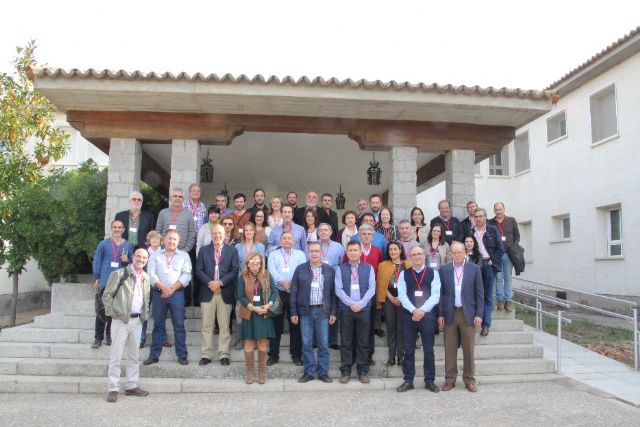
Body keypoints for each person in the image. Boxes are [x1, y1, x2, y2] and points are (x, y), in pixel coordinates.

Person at [103, 245, 151, 403]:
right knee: (115, 355)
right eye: (138, 256)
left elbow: (146, 297)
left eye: (144, 258)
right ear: (132, 257)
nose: (141, 260)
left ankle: (131, 385)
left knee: (134, 356)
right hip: (120, 320)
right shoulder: (119, 274)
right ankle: (113, 388)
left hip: (137, 321)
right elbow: (107, 295)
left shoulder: (145, 277)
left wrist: (145, 315)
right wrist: (113, 313)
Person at [438, 242, 484, 392]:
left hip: (468, 314)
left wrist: (479, 314)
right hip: (450, 313)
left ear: (465, 252)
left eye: (459, 252)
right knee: (450, 349)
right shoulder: (444, 270)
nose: (456, 255)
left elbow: (480, 294)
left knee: (468, 349)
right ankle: (449, 379)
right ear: (450, 254)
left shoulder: (475, 269)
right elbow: (441, 294)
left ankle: (469, 380)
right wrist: (440, 313)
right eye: (454, 252)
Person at [290, 241, 337, 383]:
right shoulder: (300, 269)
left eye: (317, 251)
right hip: (305, 311)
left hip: (323, 311)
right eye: (312, 251)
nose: (315, 253)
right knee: (306, 343)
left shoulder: (330, 270)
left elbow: (334, 294)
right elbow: (294, 291)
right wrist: (293, 312)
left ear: (321, 253)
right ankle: (309, 371)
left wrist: (333, 312)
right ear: (308, 253)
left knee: (323, 343)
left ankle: (323, 372)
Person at [396, 245, 441, 393]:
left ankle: (430, 381)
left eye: (419, 254)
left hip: (427, 316)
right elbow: (401, 295)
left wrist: (422, 310)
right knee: (408, 350)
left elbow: (435, 295)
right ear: (409, 256)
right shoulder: (403, 274)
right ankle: (408, 380)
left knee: (429, 350)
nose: (417, 257)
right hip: (409, 316)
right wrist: (414, 310)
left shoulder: (434, 273)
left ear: (424, 256)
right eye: (414, 254)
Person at [144, 230, 191, 366]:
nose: (171, 242)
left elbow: (187, 274)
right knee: (158, 325)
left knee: (179, 325)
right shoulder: (155, 255)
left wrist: (172, 289)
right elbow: (151, 274)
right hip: (159, 293)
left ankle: (182, 355)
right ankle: (154, 355)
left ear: (178, 241)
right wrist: (163, 288)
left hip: (177, 294)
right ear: (164, 240)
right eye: (169, 239)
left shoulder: (184, 256)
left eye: (174, 239)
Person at [196, 224, 239, 366]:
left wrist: (220, 283)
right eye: (215, 233)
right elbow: (199, 270)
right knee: (207, 326)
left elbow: (234, 271)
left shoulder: (232, 251)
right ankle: (206, 354)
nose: (217, 236)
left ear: (224, 235)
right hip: (207, 292)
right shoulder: (203, 250)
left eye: (220, 233)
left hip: (224, 292)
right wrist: (211, 283)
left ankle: (224, 354)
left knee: (224, 326)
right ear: (211, 234)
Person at [334, 241, 376, 384]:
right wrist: (351, 303)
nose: (353, 253)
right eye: (350, 250)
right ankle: (345, 371)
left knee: (363, 342)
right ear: (347, 252)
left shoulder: (368, 268)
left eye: (355, 250)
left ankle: (363, 370)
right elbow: (338, 289)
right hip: (346, 309)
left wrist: (361, 304)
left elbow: (372, 289)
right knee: (346, 342)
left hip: (364, 310)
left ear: (360, 252)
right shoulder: (340, 269)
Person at [92, 220, 133, 348]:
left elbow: (133, 264)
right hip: (105, 281)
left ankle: (110, 336)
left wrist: (128, 260)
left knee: (114, 311)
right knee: (102, 310)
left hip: (120, 282)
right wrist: (97, 278)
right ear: (111, 229)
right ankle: (98, 338)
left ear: (123, 230)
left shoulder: (128, 245)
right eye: (115, 227)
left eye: (119, 227)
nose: (117, 229)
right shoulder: (103, 244)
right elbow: (97, 260)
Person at [266, 232, 306, 366]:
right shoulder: (273, 254)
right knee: (275, 325)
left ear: (293, 241)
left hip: (296, 293)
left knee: (295, 325)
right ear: (280, 241)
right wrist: (283, 282)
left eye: (289, 238)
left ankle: (296, 355)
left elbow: (302, 270)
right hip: (278, 293)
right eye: (284, 238)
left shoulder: (300, 254)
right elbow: (271, 271)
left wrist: (292, 284)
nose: (287, 240)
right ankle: (273, 355)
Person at [237, 252, 277, 384]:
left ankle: (261, 371)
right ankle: (249, 371)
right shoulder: (243, 276)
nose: (256, 265)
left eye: (258, 262)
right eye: (252, 262)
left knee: (262, 342)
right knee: (248, 342)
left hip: (264, 313)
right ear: (247, 263)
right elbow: (240, 296)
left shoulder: (266, 275)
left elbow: (274, 292)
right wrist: (253, 308)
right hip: (250, 313)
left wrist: (268, 305)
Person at [347, 223, 384, 359]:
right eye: (363, 234)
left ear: (373, 236)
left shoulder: (377, 251)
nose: (366, 236)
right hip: (353, 293)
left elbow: (379, 269)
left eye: (369, 234)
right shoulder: (353, 250)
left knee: (369, 325)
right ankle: (353, 354)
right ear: (359, 236)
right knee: (353, 326)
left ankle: (369, 355)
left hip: (370, 293)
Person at [376, 241, 411, 366]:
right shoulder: (383, 265)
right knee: (391, 328)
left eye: (395, 249)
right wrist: (392, 298)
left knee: (401, 328)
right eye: (390, 249)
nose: (393, 252)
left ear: (400, 250)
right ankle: (391, 356)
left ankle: (401, 356)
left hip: (404, 301)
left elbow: (411, 284)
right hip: (389, 301)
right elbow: (381, 285)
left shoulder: (408, 265)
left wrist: (401, 298)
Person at [472, 208, 504, 336]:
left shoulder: (493, 230)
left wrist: (492, 261)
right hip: (475, 265)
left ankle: (486, 325)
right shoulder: (471, 231)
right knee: (475, 294)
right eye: (476, 216)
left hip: (489, 265)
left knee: (488, 296)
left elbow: (500, 249)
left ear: (485, 217)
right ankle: (476, 320)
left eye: (481, 216)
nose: (478, 218)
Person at [317, 223, 345, 349]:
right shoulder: (312, 245)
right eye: (321, 230)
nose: (323, 232)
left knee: (333, 310)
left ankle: (332, 340)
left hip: (333, 282)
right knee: (316, 311)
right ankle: (316, 340)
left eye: (326, 230)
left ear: (330, 232)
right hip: (316, 282)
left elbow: (342, 264)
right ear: (318, 233)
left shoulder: (338, 247)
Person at [490, 202, 520, 312]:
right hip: (497, 254)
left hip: (508, 254)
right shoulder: (490, 222)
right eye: (496, 210)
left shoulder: (511, 220)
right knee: (498, 278)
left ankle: (508, 301)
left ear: (504, 209)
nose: (498, 211)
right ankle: (500, 300)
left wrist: (514, 247)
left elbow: (517, 236)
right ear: (494, 211)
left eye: (500, 209)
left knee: (507, 277)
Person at [182, 184, 207, 307]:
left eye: (198, 191)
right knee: (186, 271)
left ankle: (197, 301)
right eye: (193, 191)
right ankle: (186, 300)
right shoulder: (184, 205)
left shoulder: (203, 207)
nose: (196, 192)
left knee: (198, 272)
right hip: (187, 243)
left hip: (199, 244)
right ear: (189, 192)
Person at [140, 230, 164, 349]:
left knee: (160, 314)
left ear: (161, 241)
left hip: (160, 286)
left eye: (157, 239)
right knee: (144, 311)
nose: (155, 241)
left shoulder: (165, 253)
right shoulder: (143, 253)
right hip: (145, 285)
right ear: (148, 241)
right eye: (152, 239)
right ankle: (141, 338)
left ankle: (162, 338)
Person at [155, 188, 196, 253]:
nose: (178, 198)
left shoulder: (188, 214)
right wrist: (161, 247)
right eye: (175, 196)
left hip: (182, 252)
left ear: (183, 199)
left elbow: (192, 233)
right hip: (164, 251)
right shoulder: (163, 213)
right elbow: (158, 232)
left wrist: (186, 250)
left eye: (180, 197)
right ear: (170, 198)